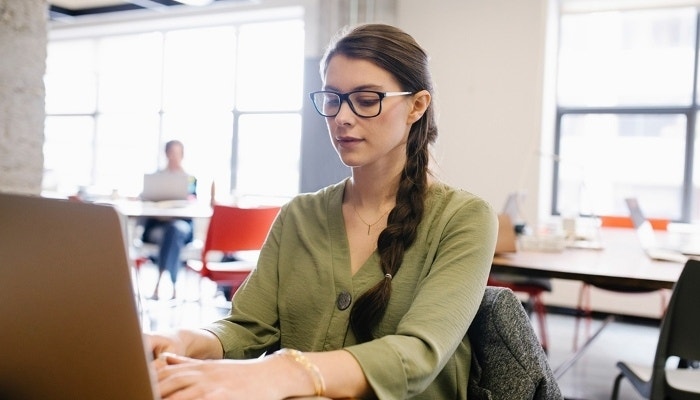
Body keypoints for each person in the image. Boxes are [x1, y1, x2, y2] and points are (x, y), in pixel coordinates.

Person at [147, 23, 497, 399]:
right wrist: (181, 340)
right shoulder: (300, 215)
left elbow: (418, 354)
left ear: (416, 105)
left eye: (366, 99)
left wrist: (282, 372)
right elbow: (248, 326)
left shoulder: (464, 219)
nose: (342, 118)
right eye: (332, 99)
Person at [141, 139, 196, 300]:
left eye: (177, 153)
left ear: (182, 155)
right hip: (158, 225)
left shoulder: (190, 180)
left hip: (181, 226)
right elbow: (145, 199)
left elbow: (194, 203)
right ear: (166, 154)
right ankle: (173, 285)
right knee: (171, 235)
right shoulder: (156, 178)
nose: (174, 157)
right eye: (171, 153)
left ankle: (159, 283)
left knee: (174, 231)